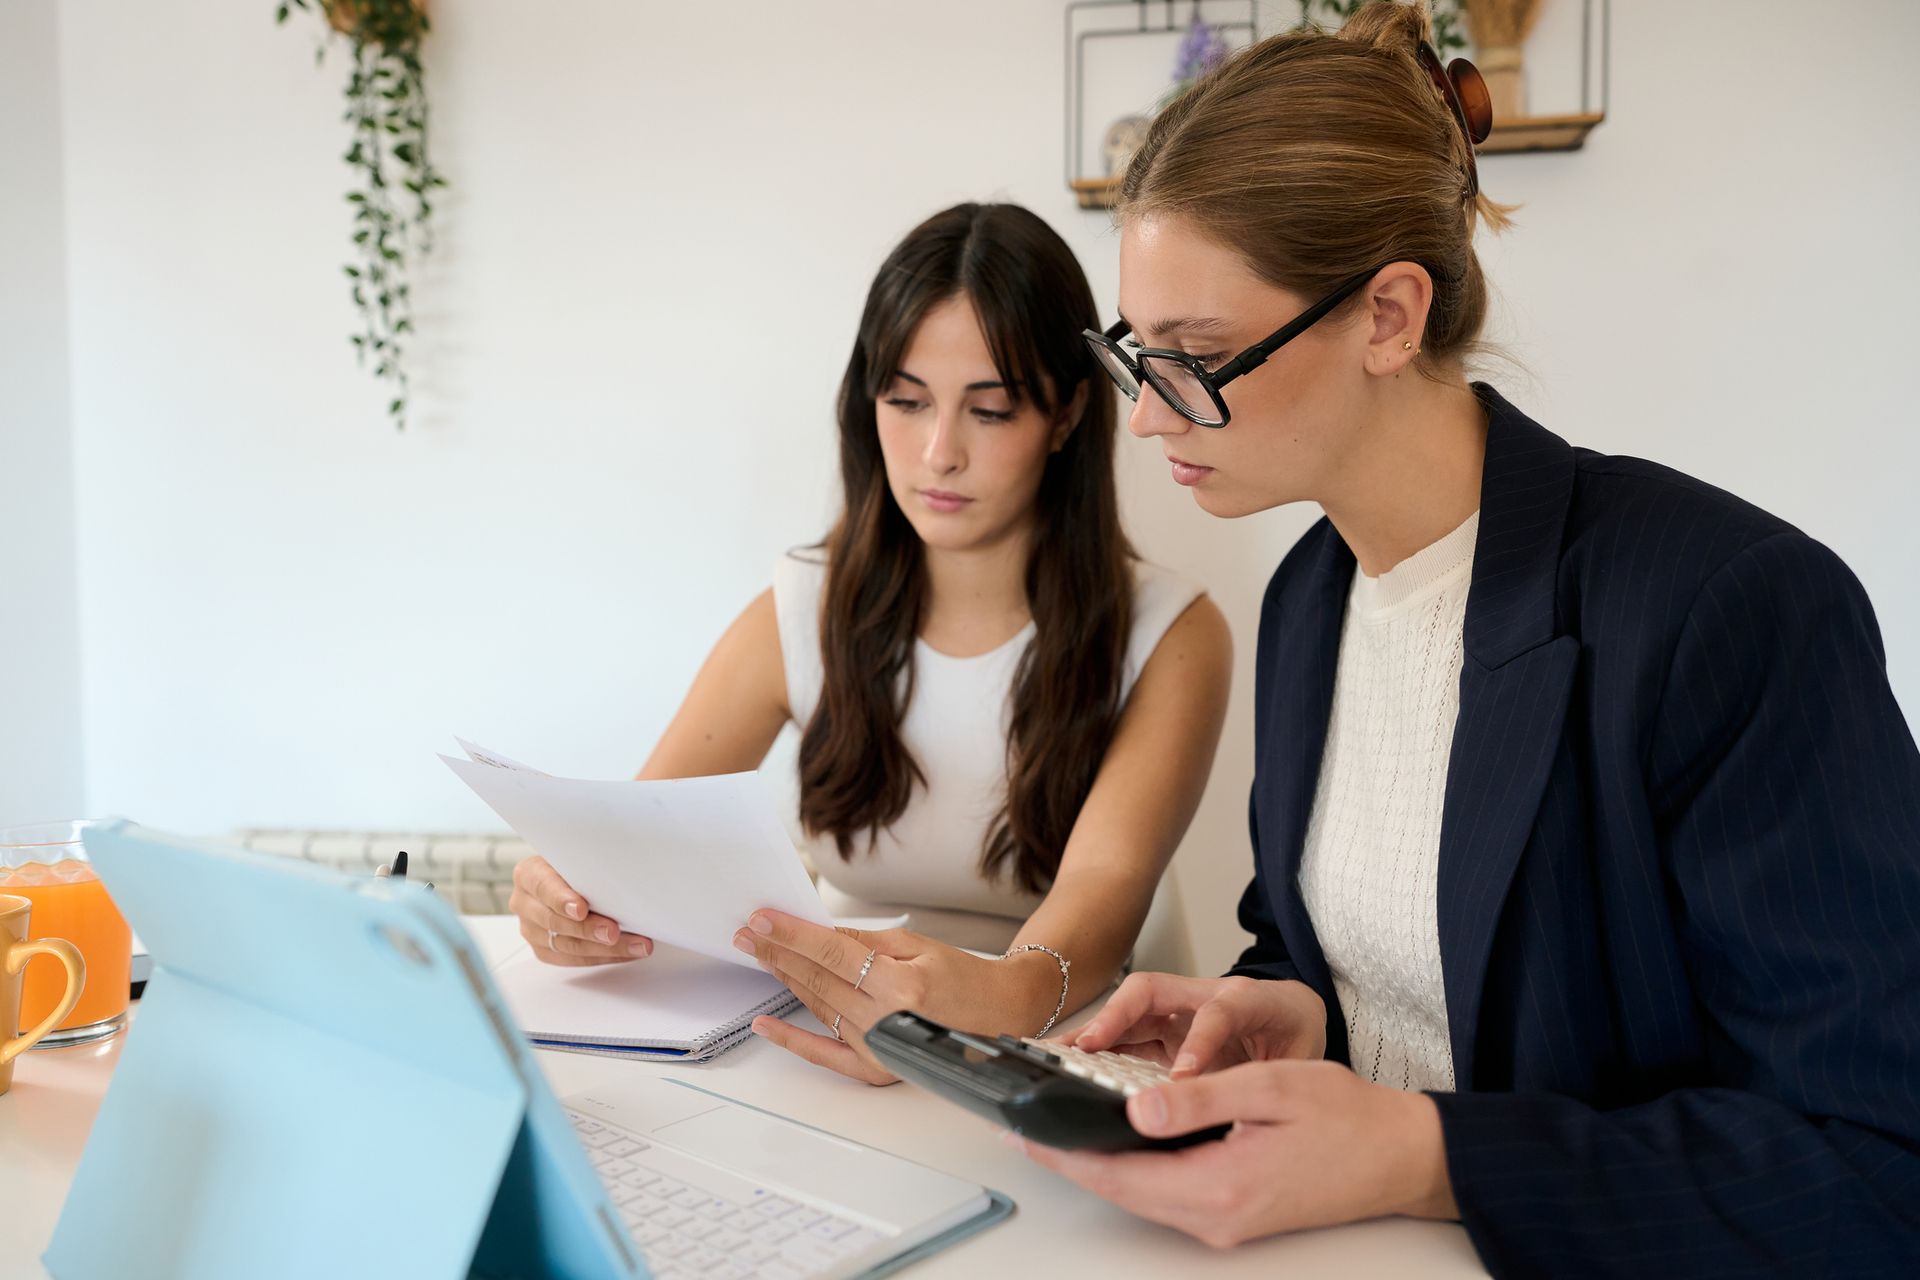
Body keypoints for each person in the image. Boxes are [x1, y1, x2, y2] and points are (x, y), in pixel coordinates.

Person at [1007, 4, 1920, 1275]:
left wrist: (1427, 1151)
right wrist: (1295, 1007)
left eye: (1198, 357)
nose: (1151, 414)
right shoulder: (1314, 592)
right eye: (1137, 353)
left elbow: (1879, 1161)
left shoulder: (1727, 603)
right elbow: (1348, 943)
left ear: (1388, 314)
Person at [508, 202, 1232, 1084]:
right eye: (906, 400)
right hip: (837, 1021)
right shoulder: (803, 605)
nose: (938, 454)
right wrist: (569, 903)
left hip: (1059, 1045)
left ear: (1070, 414)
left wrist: (977, 1012)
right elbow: (636, 842)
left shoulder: (1173, 634)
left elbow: (1101, 897)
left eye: (992, 410)